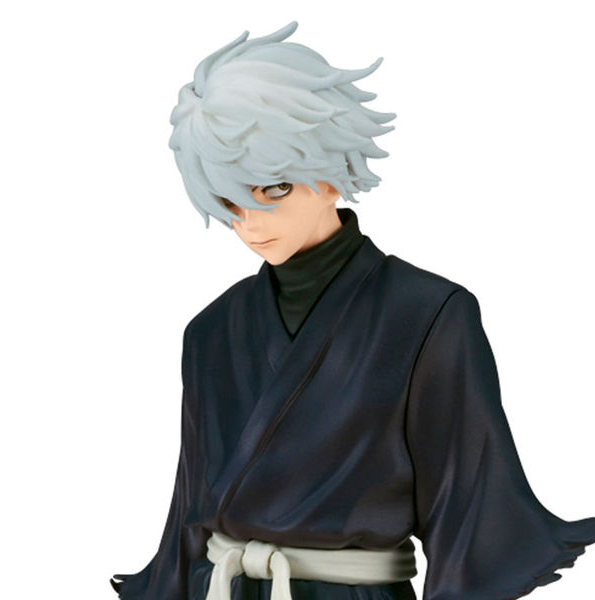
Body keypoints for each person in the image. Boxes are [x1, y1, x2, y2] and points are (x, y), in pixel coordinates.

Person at [110, 21, 595, 600]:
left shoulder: (429, 315)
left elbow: (466, 510)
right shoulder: (210, 332)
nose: (251, 221)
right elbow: (188, 517)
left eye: (274, 188)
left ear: (330, 171)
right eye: (228, 197)